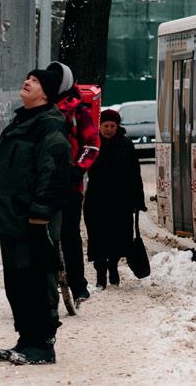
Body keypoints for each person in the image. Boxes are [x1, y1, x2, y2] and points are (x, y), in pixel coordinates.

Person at [0, 68, 71, 366]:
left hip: (34, 220)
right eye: (28, 78)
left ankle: (43, 344)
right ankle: (26, 339)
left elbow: (55, 172)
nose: (27, 82)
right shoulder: (24, 121)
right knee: (17, 282)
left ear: (46, 92)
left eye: (35, 81)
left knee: (37, 280)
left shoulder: (50, 126)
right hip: (13, 219)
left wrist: (40, 213)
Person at [46, 61, 100, 304]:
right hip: (43, 184)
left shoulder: (78, 110)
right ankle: (43, 285)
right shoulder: (40, 107)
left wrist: (77, 170)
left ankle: (79, 285)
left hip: (70, 184)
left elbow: (91, 144)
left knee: (69, 234)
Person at [85, 109, 146, 289]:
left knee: (118, 237)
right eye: (106, 126)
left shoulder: (126, 144)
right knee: (97, 237)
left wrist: (138, 200)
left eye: (112, 126)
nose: (109, 129)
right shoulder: (93, 144)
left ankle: (113, 267)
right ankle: (100, 273)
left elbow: (135, 172)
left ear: (118, 127)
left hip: (121, 201)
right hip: (97, 200)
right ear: (100, 126)